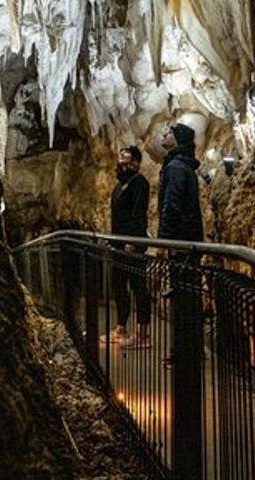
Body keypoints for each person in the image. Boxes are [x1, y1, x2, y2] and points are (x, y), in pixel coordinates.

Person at [157, 121, 204, 477]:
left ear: (179, 140)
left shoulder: (174, 167)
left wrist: (166, 243)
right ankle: (187, 351)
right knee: (186, 298)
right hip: (192, 241)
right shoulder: (185, 165)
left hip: (182, 244)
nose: (164, 135)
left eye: (169, 131)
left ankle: (185, 354)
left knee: (182, 298)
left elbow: (171, 206)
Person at [107, 145, 151, 349]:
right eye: (121, 157)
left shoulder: (139, 182)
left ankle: (144, 334)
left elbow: (138, 213)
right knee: (119, 285)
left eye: (126, 158)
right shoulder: (119, 186)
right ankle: (121, 328)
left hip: (132, 245)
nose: (122, 161)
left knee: (138, 287)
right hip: (118, 244)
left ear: (135, 162)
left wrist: (133, 241)